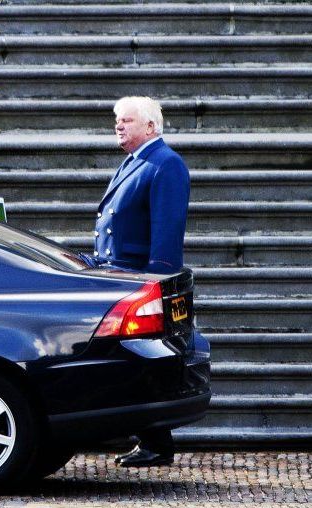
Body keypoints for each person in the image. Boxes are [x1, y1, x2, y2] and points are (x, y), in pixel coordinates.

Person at [96, 96, 190, 467]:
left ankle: (156, 441)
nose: (118, 125)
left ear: (150, 127)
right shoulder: (135, 162)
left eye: (127, 120)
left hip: (141, 280)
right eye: (117, 120)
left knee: (145, 359)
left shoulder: (166, 165)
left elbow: (166, 234)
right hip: (119, 277)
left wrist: (156, 282)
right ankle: (150, 436)